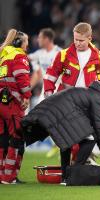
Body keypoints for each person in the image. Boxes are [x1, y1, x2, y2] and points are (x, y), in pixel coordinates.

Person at [43, 22, 100, 176]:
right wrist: (49, 95)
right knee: (66, 140)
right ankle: (65, 175)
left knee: (90, 137)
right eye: (75, 39)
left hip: (89, 105)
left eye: (81, 40)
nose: (77, 43)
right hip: (66, 103)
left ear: (90, 38)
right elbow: (50, 76)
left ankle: (74, 169)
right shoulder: (63, 55)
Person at [22, 81, 100, 184]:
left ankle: (65, 177)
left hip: (49, 111)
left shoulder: (90, 93)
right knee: (90, 138)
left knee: (66, 141)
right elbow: (99, 128)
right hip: (61, 112)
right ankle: (74, 174)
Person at [0, 29, 31, 184]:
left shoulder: (2, 54)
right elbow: (22, 79)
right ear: (19, 42)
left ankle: (1, 175)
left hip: (1, 101)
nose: (27, 45)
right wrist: (27, 96)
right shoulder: (18, 55)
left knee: (2, 138)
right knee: (17, 138)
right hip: (13, 102)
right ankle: (8, 177)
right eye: (26, 41)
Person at [28, 28, 62, 106]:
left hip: (57, 91)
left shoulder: (59, 53)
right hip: (44, 90)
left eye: (40, 37)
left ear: (46, 39)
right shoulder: (40, 53)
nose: (37, 40)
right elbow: (25, 57)